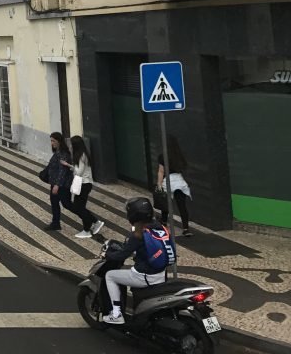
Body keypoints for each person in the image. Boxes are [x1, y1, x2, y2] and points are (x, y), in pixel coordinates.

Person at [103, 197, 174, 325]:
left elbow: (122, 255)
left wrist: (107, 254)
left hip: (144, 276)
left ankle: (116, 313)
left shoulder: (138, 234)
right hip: (161, 274)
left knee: (110, 276)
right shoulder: (160, 227)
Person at [62, 136, 105, 239]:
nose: (70, 146)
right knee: (80, 207)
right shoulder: (82, 154)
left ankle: (92, 225)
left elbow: (79, 172)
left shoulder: (81, 156)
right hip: (85, 184)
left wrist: (69, 166)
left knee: (79, 207)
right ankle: (89, 226)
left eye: (71, 144)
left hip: (84, 184)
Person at [156, 135, 193, 236]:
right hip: (179, 181)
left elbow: (161, 171)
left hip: (168, 181)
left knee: (165, 205)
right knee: (182, 206)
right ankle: (186, 228)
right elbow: (185, 167)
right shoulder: (180, 155)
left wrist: (159, 184)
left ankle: (164, 224)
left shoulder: (162, 156)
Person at [44, 132, 73, 231]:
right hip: (56, 182)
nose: (52, 143)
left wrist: (57, 185)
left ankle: (89, 218)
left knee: (67, 204)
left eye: (53, 141)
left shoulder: (63, 153)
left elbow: (63, 170)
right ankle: (55, 223)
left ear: (59, 141)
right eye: (51, 141)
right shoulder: (58, 152)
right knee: (55, 202)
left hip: (62, 184)